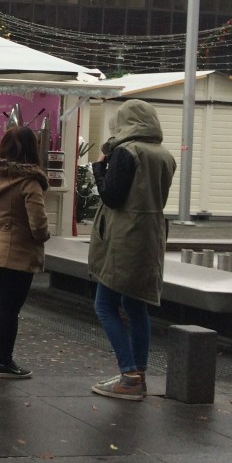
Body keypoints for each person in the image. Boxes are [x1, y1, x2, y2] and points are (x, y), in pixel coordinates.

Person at [88, 99, 176, 401]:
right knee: (136, 305)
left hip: (125, 236)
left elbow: (112, 196)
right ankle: (139, 372)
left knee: (104, 304)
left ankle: (128, 377)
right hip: (151, 235)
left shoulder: (127, 152)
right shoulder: (163, 155)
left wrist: (99, 168)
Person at [0, 126, 50, 379]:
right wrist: (42, 238)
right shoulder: (30, 182)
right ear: (32, 149)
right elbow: (38, 224)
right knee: (10, 309)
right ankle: (3, 362)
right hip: (19, 253)